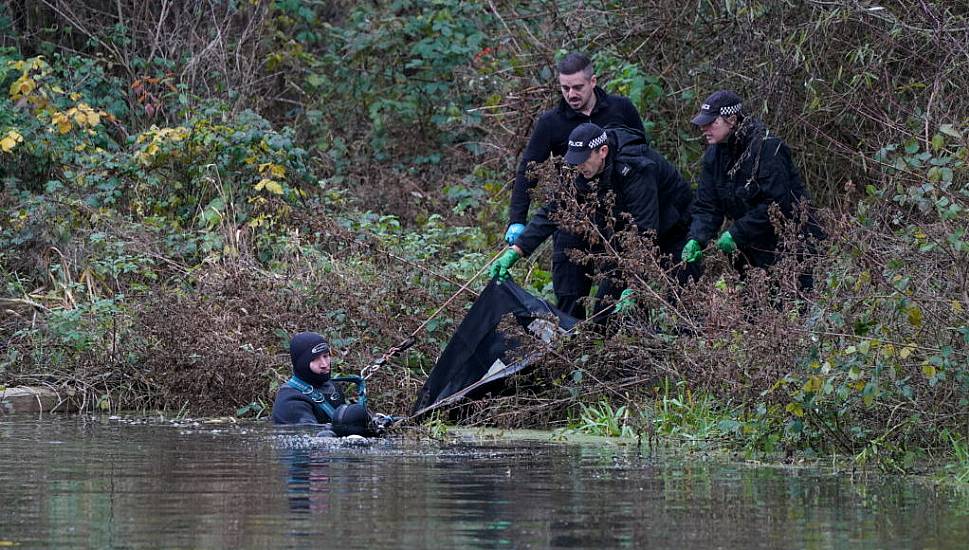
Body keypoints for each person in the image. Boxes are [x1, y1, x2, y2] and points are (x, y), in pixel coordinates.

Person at [490, 122, 697, 320]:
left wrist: (633, 285)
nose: (579, 166)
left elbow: (645, 230)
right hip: (626, 238)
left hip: (673, 229)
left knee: (682, 300)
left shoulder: (635, 169)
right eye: (575, 160)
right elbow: (553, 211)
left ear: (603, 151)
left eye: (584, 159)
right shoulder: (580, 169)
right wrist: (516, 251)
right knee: (605, 315)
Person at [505, 52, 646, 318]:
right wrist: (517, 219)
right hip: (572, 215)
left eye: (578, 87)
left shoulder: (621, 109)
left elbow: (642, 157)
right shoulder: (551, 122)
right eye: (565, 88)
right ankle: (573, 352)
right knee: (570, 296)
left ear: (593, 82)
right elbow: (528, 171)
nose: (571, 94)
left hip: (615, 216)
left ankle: (621, 347)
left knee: (614, 295)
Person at [681, 90, 823, 290]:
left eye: (712, 122)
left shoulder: (767, 148)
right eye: (703, 123)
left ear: (731, 120)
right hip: (751, 251)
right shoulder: (713, 156)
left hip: (792, 245)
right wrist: (697, 237)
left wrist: (737, 233)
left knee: (797, 306)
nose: (704, 128)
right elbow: (707, 205)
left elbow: (778, 203)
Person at [272, 332, 344, 429]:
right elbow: (310, 436)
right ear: (302, 364)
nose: (324, 364)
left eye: (326, 356)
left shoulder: (332, 387)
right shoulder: (290, 401)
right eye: (315, 359)